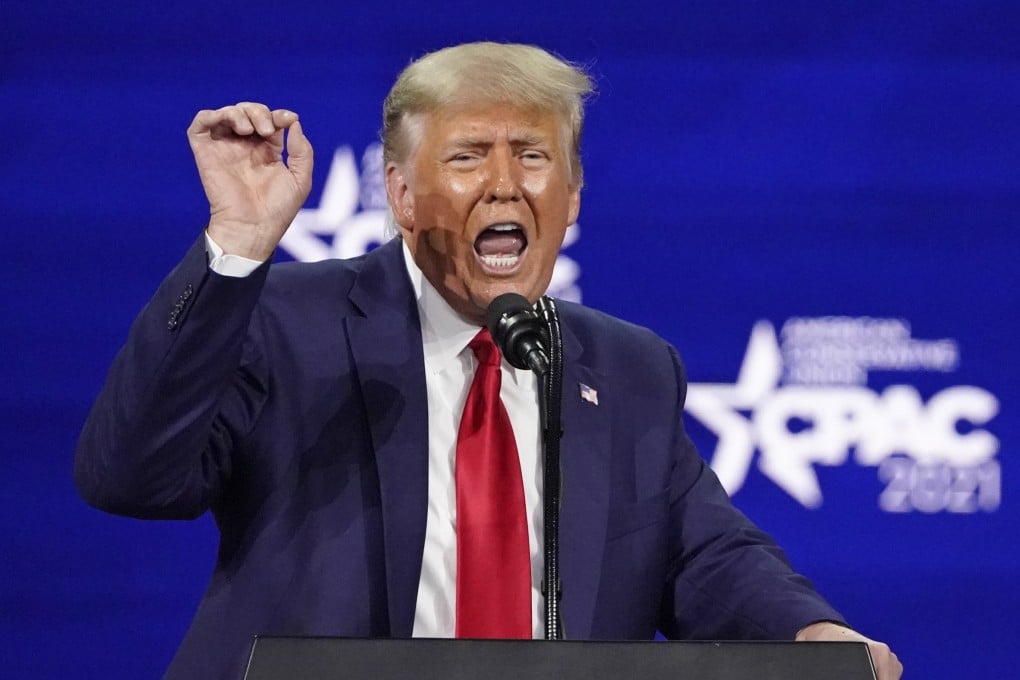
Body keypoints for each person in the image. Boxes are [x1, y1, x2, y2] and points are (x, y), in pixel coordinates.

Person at [75, 42, 902, 680]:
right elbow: (129, 477)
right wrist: (238, 245)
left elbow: (704, 555)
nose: (504, 185)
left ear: (572, 198)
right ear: (401, 195)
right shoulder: (288, 321)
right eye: (468, 155)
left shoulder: (627, 367)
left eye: (533, 156)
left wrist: (812, 634)